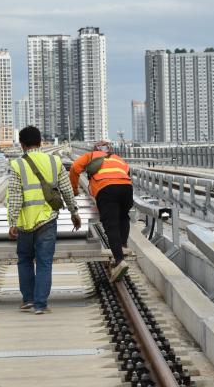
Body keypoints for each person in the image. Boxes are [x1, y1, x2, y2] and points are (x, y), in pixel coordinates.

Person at [7, 126, 81, 314]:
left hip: (25, 222)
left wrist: (12, 222)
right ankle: (40, 304)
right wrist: (74, 212)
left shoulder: (18, 165)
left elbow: (14, 196)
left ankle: (28, 300)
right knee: (44, 262)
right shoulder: (54, 161)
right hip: (47, 219)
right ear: (41, 142)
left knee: (24, 260)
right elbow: (66, 189)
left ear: (22, 145)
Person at [70, 140, 133, 282]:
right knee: (123, 217)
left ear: (95, 149)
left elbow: (74, 168)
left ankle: (119, 260)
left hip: (106, 189)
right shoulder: (118, 158)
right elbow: (127, 171)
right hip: (126, 188)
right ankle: (122, 245)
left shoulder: (91, 156)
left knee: (111, 224)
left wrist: (74, 189)